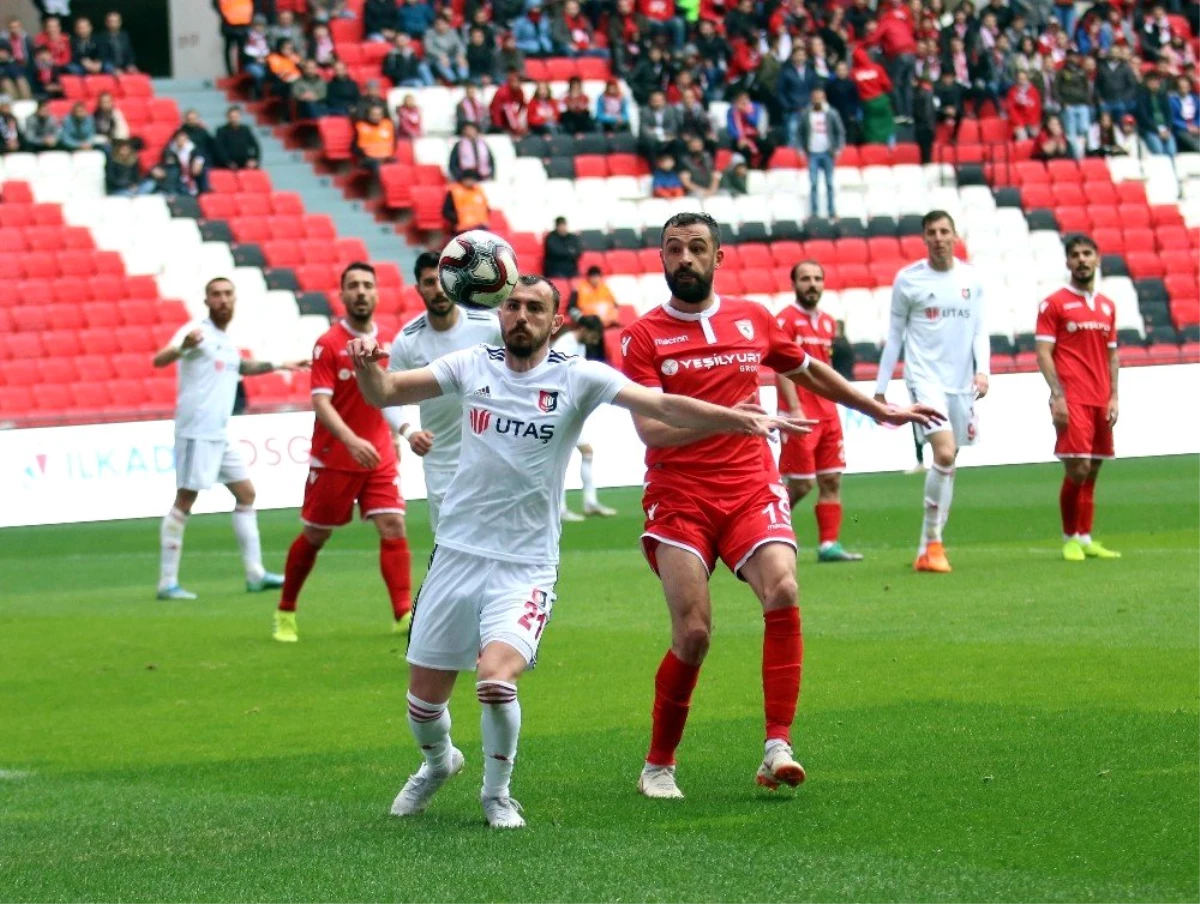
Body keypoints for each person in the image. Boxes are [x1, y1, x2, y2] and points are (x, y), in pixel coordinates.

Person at [351, 274, 808, 829]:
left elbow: (661, 403)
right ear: (500, 313)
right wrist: (367, 365)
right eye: (512, 306)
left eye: (534, 308)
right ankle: (437, 762)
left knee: (495, 681)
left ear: (556, 320)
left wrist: (739, 418)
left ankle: (497, 794)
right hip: (456, 554)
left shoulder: (579, 377)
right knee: (424, 707)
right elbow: (386, 392)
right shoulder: (471, 364)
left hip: (525, 565)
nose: (520, 316)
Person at [620, 212, 941, 800]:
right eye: (673, 249)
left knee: (785, 590)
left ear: (718, 258)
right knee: (693, 633)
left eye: (696, 248)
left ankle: (777, 746)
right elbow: (652, 430)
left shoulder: (753, 318)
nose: (684, 258)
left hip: (749, 485)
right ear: (661, 258)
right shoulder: (643, 336)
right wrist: (736, 418)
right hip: (679, 496)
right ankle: (658, 764)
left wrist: (876, 408)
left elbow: (808, 369)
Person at [274, 263, 412, 642]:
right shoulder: (328, 344)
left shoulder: (388, 339)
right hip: (336, 454)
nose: (361, 292)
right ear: (343, 294)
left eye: (368, 285)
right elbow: (321, 402)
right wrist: (352, 440)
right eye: (354, 286)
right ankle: (286, 610)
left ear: (377, 293)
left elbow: (389, 392)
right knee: (316, 534)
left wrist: (396, 435)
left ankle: (403, 613)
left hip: (378, 451)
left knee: (394, 525)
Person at [151, 277, 306, 600]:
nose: (223, 300)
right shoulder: (197, 331)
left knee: (246, 493)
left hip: (217, 434)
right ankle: (167, 583)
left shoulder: (224, 340)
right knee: (185, 500)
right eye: (216, 295)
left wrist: (280, 363)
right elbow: (161, 359)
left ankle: (255, 574)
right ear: (206, 301)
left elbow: (242, 366)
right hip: (196, 430)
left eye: (227, 294)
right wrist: (184, 347)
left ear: (235, 300)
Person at [874, 211, 988, 574]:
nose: (938, 238)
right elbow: (895, 336)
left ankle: (928, 547)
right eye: (932, 233)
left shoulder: (972, 278)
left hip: (961, 382)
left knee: (950, 458)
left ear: (955, 236)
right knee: (942, 451)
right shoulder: (908, 280)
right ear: (924, 239)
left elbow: (979, 330)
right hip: (924, 379)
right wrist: (879, 390)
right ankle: (933, 543)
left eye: (944, 231)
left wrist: (982, 370)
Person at [386, 252, 501, 534]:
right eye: (428, 283)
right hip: (443, 463)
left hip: (494, 456)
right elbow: (388, 395)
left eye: (442, 281)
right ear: (418, 289)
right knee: (451, 550)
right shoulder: (408, 340)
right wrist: (409, 431)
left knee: (499, 547)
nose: (437, 289)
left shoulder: (489, 326)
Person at [1035, 235, 1121, 563]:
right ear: (1067, 262)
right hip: (1073, 397)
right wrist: (1057, 395)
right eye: (1075, 255)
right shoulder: (1054, 303)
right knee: (1078, 467)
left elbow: (1112, 355)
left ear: (1098, 258)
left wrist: (1114, 396)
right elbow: (1044, 353)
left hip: (1101, 398)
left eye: (1087, 254)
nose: (1082, 259)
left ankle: (1085, 537)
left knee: (1094, 468)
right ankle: (1069, 537)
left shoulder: (1107, 306)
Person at [775, 262, 862, 562]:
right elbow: (781, 368)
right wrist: (794, 407)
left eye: (817, 279)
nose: (812, 284)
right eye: (805, 279)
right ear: (794, 284)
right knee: (800, 483)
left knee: (831, 479)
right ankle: (769, 528)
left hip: (827, 412)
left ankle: (829, 545)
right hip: (798, 414)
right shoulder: (786, 320)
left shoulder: (828, 322)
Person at [550, 315, 619, 522]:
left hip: (573, 409)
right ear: (584, 330)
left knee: (586, 453)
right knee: (560, 458)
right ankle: (561, 508)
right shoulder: (565, 346)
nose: (595, 340)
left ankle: (589, 502)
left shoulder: (579, 346)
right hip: (559, 408)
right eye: (594, 335)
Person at [799, 89, 844, 219]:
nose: (818, 100)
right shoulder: (806, 114)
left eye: (821, 97)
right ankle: (814, 212)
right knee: (813, 183)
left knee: (829, 183)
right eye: (816, 97)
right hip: (812, 152)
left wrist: (838, 149)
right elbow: (800, 132)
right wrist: (801, 149)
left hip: (827, 152)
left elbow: (839, 131)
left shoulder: (831, 113)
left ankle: (831, 211)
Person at [568, 266, 619, 330]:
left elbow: (615, 305)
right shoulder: (579, 289)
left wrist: (612, 317)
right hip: (588, 322)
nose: (595, 279)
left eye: (597, 277)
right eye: (593, 277)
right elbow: (572, 308)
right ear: (589, 277)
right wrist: (583, 320)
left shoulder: (605, 288)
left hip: (606, 321)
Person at [442, 168, 490, 233]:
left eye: (473, 179)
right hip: (462, 229)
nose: (471, 182)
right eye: (469, 179)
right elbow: (446, 211)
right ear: (463, 179)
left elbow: (486, 208)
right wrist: (458, 219)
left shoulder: (479, 191)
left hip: (480, 227)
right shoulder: (454, 191)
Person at [353, 104, 396, 173]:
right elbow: (354, 148)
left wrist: (386, 156)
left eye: (379, 114)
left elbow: (394, 144)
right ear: (368, 115)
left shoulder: (388, 124)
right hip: (368, 159)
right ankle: (376, 183)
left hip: (385, 157)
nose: (376, 117)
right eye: (374, 114)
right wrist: (368, 156)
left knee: (396, 163)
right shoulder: (361, 126)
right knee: (377, 166)